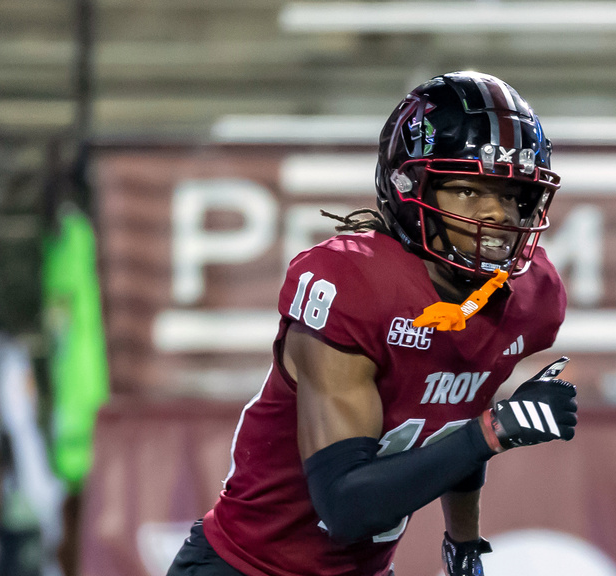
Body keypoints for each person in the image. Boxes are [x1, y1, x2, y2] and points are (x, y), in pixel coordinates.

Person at [166, 71, 577, 576]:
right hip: (248, 566)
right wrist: (494, 431)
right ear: (410, 187)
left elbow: (452, 416)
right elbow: (344, 506)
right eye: (471, 191)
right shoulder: (355, 283)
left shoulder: (527, 297)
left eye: (512, 195)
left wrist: (463, 542)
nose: (497, 214)